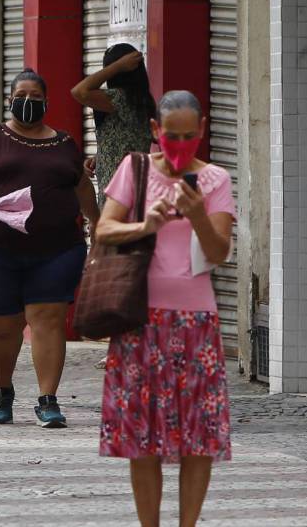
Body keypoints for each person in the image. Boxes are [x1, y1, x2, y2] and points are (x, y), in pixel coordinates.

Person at [94, 90, 234, 527]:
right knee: (142, 434)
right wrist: (146, 224)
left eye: (189, 136)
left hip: (196, 322)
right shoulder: (135, 170)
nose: (180, 144)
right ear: (156, 130)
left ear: (202, 131)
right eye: (171, 135)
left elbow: (219, 251)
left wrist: (194, 216)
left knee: (200, 434)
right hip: (139, 318)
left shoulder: (214, 180)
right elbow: (104, 229)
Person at [0, 68, 101, 428]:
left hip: (57, 251)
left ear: (47, 102)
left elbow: (82, 188)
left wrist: (99, 225)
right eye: (21, 96)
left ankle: (47, 399)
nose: (28, 103)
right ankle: (3, 391)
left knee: (48, 321)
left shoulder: (64, 143)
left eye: (36, 98)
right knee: (5, 326)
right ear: (9, 99)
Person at [70, 43, 156, 204]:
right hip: (126, 190)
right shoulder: (139, 100)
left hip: (120, 195)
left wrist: (116, 67)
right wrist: (101, 156)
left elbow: (79, 92)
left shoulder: (121, 98)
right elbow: (125, 139)